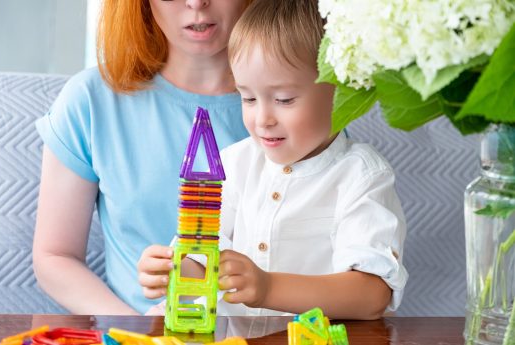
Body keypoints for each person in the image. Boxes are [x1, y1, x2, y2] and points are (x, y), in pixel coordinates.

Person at [138, 0, 408, 319]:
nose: (262, 118)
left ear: (342, 89)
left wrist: (267, 287)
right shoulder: (235, 164)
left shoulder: (360, 175)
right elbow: (203, 258)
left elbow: (371, 293)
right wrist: (173, 269)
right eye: (248, 98)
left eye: (283, 99)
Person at [33, 0, 251, 315]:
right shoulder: (90, 100)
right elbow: (55, 257)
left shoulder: (301, 105)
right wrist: (138, 332)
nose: (196, 3)